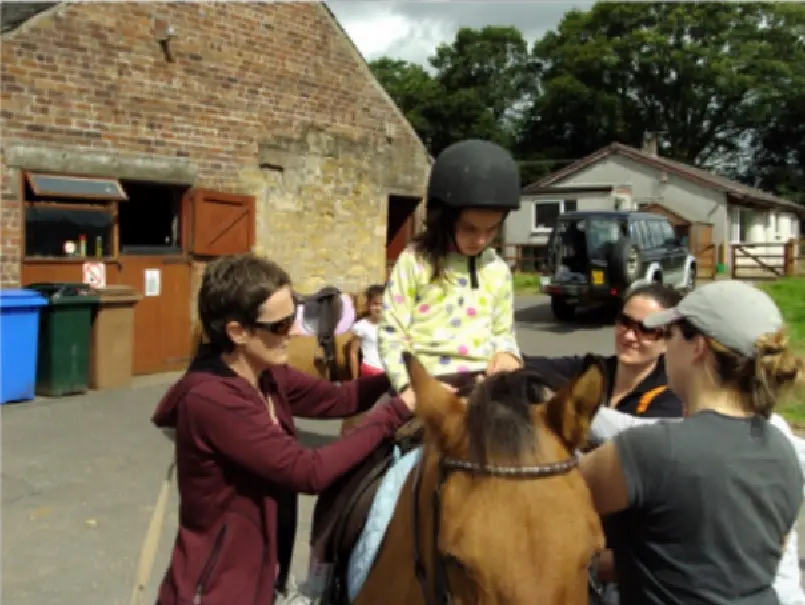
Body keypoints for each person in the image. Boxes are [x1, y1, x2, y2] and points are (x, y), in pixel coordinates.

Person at [151, 254, 415, 605]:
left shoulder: (265, 374)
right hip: (218, 590)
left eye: (295, 317)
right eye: (280, 325)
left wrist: (407, 374)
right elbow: (307, 472)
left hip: (262, 579)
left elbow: (340, 399)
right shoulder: (213, 399)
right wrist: (398, 410)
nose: (293, 331)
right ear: (237, 332)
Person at [580, 280, 805, 605]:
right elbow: (708, 565)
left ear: (698, 346)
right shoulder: (784, 452)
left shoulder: (650, 450)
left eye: (669, 335)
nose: (667, 347)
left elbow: (556, 497)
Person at [379, 139, 524, 394]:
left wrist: (507, 354)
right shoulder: (415, 260)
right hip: (425, 384)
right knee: (378, 432)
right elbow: (392, 331)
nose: (480, 240)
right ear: (443, 218)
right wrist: (407, 386)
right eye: (469, 228)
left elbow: (503, 332)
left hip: (483, 383)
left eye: (491, 230)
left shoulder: (497, 269)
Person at [525, 283, 685, 419]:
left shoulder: (673, 396)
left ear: (668, 341)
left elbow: (630, 440)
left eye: (646, 329)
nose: (629, 336)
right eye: (625, 322)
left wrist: (558, 402)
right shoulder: (595, 369)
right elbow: (522, 365)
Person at [349, 284, 386, 379]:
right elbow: (353, 352)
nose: (378, 308)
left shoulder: (392, 325)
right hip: (370, 370)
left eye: (382, 304)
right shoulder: (361, 326)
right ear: (368, 304)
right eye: (375, 304)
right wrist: (355, 378)